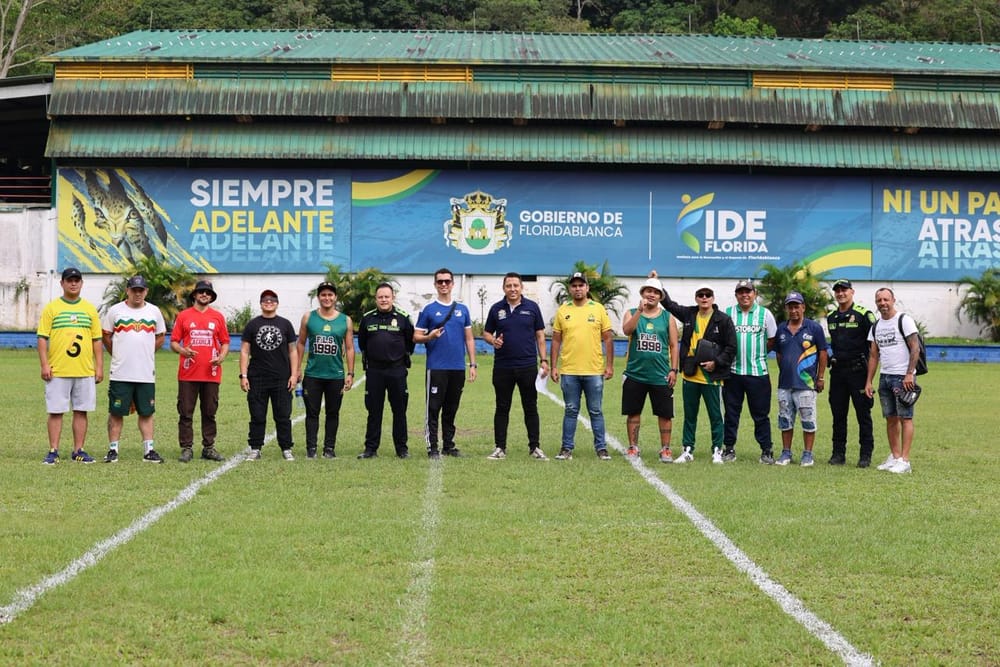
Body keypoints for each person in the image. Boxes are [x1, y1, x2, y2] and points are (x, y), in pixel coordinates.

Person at [656, 274, 737, 464]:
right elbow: (669, 304)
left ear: (713, 298)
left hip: (712, 376)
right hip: (690, 374)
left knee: (715, 416)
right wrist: (657, 283)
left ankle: (717, 450)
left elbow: (732, 347)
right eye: (701, 295)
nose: (704, 298)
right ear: (696, 298)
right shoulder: (689, 314)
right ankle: (687, 450)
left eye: (708, 295)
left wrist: (716, 362)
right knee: (690, 415)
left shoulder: (723, 319)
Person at [37, 267, 104, 464]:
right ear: (62, 283)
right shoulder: (52, 308)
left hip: (84, 370)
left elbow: (97, 340)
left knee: (81, 410)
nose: (73, 283)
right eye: (69, 280)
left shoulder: (89, 309)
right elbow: (42, 338)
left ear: (82, 283)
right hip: (58, 370)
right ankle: (53, 450)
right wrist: (44, 364)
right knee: (56, 411)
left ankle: (78, 450)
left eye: (77, 280)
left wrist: (99, 366)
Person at [482, 272, 549, 460]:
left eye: (515, 285)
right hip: (503, 367)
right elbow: (486, 333)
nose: (512, 289)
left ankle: (535, 447)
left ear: (521, 287)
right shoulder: (496, 309)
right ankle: (500, 448)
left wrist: (544, 360)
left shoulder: (532, 307)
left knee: (530, 407)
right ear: (504, 288)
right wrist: (493, 341)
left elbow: (540, 336)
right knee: (502, 407)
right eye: (508, 286)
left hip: (527, 366)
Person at [101, 275, 167, 463]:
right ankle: (113, 450)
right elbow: (106, 335)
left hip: (145, 373)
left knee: (146, 412)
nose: (137, 294)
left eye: (141, 290)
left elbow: (161, 336)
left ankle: (149, 450)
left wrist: (147, 352)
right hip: (120, 372)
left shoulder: (154, 311)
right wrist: (117, 353)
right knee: (116, 412)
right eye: (134, 290)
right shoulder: (115, 311)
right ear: (127, 291)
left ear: (146, 291)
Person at [549, 271, 614, 461]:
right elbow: (556, 340)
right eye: (574, 286)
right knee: (570, 410)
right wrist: (554, 366)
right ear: (570, 289)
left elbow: (608, 339)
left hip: (594, 371)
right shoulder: (563, 310)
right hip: (569, 371)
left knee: (596, 411)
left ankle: (601, 448)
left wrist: (609, 365)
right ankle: (566, 448)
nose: (577, 289)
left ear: (587, 288)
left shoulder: (598, 309)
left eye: (581, 285)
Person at [414, 268, 477, 459]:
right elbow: (416, 337)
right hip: (436, 367)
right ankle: (432, 446)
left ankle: (448, 445)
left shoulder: (462, 309)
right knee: (433, 408)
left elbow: (469, 338)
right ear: (435, 284)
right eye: (440, 281)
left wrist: (472, 364)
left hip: (457, 367)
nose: (443, 284)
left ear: (452, 284)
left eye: (447, 281)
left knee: (451, 408)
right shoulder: (428, 309)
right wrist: (430, 336)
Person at [170, 279, 229, 463]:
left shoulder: (217, 317)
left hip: (211, 373)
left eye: (208, 292)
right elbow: (174, 342)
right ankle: (186, 448)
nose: (204, 294)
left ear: (211, 297)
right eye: (201, 291)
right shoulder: (184, 316)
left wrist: (221, 357)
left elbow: (225, 342)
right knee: (185, 412)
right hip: (188, 373)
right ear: (195, 294)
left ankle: (208, 447)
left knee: (210, 412)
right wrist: (183, 351)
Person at [621, 276, 679, 463]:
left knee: (665, 414)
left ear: (661, 296)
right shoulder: (631, 312)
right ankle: (633, 446)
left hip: (660, 375)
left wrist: (674, 370)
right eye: (648, 291)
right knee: (633, 412)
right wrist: (640, 311)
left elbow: (673, 345)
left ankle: (666, 449)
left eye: (655, 292)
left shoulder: (667, 317)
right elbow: (627, 330)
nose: (651, 295)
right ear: (642, 293)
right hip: (635, 374)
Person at [295, 281, 355, 459]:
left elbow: (350, 348)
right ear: (318, 297)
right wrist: (297, 368)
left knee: (332, 413)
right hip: (313, 374)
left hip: (335, 375)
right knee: (312, 413)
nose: (327, 298)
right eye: (323, 295)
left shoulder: (345, 320)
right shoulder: (308, 317)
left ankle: (329, 448)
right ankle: (311, 448)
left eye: (330, 294)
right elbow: (301, 343)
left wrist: (350, 373)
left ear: (335, 297)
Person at [864, 287, 921, 474]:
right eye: (879, 300)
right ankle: (895, 457)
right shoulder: (876, 326)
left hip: (902, 377)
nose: (883, 303)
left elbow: (915, 348)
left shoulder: (904, 320)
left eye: (886, 299)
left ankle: (905, 460)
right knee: (890, 418)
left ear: (893, 300)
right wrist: (869, 381)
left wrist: (909, 374)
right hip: (885, 377)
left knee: (906, 417)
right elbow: (874, 355)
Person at [239, 289, 298, 461]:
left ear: (277, 303)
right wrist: (243, 376)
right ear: (260, 303)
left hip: (282, 378)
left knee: (283, 416)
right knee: (257, 415)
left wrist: (294, 375)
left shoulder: (285, 324)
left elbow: (293, 351)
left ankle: (286, 448)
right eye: (265, 300)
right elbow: (244, 351)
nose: (269, 302)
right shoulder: (252, 325)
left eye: (272, 300)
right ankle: (255, 448)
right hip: (257, 377)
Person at [723, 278, 777, 464]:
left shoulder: (765, 314)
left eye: (748, 291)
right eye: (741, 292)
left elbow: (771, 340)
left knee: (761, 415)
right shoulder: (728, 313)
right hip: (733, 373)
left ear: (755, 294)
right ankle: (729, 448)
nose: (744, 295)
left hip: (758, 373)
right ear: (736, 295)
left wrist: (757, 354)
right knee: (731, 414)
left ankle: (766, 450)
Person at [357, 282, 415, 459]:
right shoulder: (367, 318)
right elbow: (362, 343)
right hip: (374, 371)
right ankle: (370, 449)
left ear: (393, 297)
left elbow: (410, 343)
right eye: (380, 297)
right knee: (374, 411)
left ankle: (402, 449)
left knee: (399, 411)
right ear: (376, 299)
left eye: (387, 297)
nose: (383, 300)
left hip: (397, 370)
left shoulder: (403, 317)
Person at [826, 278, 877, 467]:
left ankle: (865, 455)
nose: (841, 293)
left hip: (859, 372)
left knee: (863, 415)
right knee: (838, 415)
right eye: (837, 291)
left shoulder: (864, 315)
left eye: (844, 290)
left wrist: (869, 379)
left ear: (852, 292)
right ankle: (838, 454)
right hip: (838, 373)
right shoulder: (831, 317)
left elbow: (874, 348)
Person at [773, 291, 828, 467]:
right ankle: (786, 453)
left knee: (808, 421)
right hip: (785, 384)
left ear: (803, 307)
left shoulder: (814, 328)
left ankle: (807, 454)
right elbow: (779, 355)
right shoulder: (781, 328)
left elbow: (823, 352)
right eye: (790, 307)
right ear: (786, 309)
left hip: (806, 384)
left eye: (796, 306)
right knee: (785, 420)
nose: (793, 310)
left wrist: (820, 377)